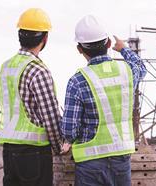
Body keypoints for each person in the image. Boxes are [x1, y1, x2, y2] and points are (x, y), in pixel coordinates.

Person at [61, 15, 147, 186]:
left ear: (79, 49)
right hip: (120, 161)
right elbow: (141, 67)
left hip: (89, 163)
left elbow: (69, 131)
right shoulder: (127, 71)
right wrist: (124, 49)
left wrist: (68, 140)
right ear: (108, 43)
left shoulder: (78, 81)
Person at [0, 8, 66, 186]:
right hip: (33, 152)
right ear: (45, 38)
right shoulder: (38, 70)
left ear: (20, 35)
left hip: (9, 150)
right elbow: (50, 116)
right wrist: (59, 146)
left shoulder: (6, 67)